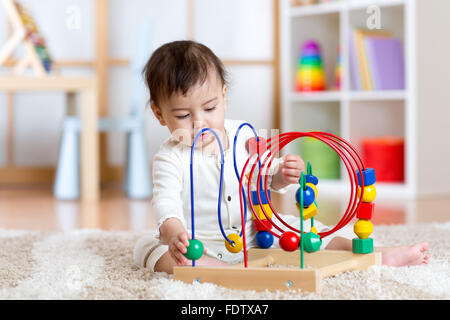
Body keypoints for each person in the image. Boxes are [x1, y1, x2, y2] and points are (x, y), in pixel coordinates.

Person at [133, 40, 429, 274]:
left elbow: (266, 177)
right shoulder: (169, 158)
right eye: (183, 115)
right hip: (199, 245)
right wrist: (174, 235)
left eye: (210, 108)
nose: (201, 123)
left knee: (308, 230)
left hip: (255, 235)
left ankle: (377, 254)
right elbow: (166, 205)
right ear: (160, 115)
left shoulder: (244, 136)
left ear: (224, 97)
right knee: (149, 249)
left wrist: (282, 174)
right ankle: (220, 270)